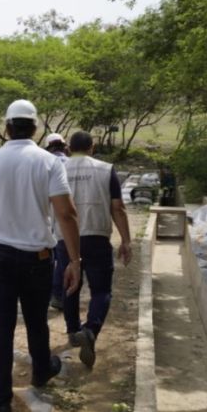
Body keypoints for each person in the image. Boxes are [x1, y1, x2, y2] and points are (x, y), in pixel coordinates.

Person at [0, 99, 82, 412]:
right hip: (38, 258)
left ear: (6, 127)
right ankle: (41, 371)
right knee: (36, 321)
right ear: (35, 128)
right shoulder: (49, 163)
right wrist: (75, 260)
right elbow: (66, 213)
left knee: (2, 327)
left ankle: (1, 401)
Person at [58, 131, 132, 369]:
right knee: (101, 290)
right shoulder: (105, 169)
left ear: (69, 148)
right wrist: (126, 240)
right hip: (97, 237)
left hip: (65, 239)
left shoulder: (58, 169)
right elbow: (118, 208)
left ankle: (72, 331)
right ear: (92, 147)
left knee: (70, 286)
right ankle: (90, 329)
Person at [45, 132, 69, 311]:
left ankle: (48, 293)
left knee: (48, 258)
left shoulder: (42, 163)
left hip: (45, 216)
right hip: (64, 216)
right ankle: (59, 295)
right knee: (63, 259)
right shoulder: (70, 164)